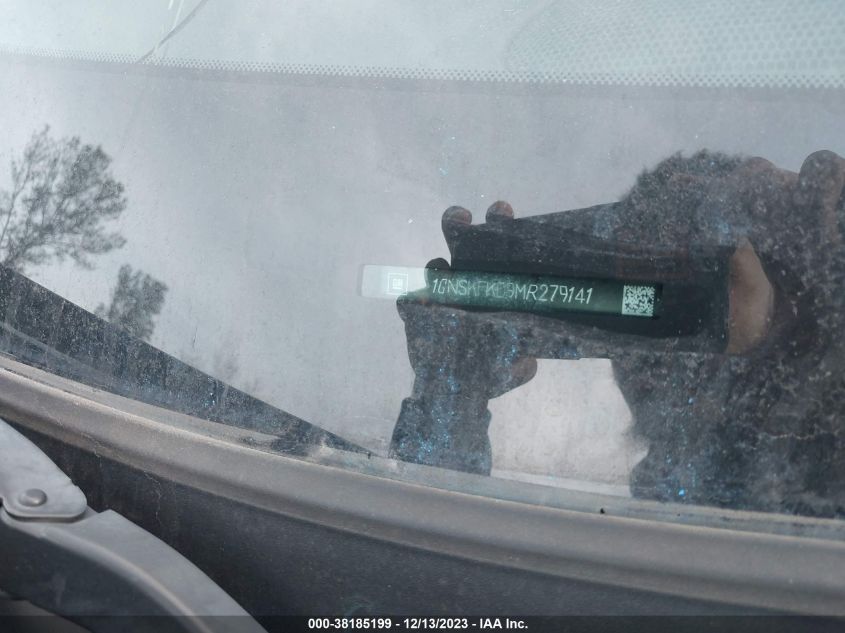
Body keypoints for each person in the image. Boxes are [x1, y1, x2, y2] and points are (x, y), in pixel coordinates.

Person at [390, 149, 845, 518]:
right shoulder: (677, 512)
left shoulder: (688, 515)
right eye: (625, 316)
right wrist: (452, 386)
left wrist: (448, 397)